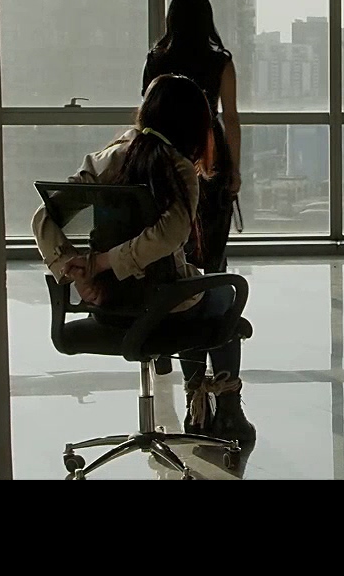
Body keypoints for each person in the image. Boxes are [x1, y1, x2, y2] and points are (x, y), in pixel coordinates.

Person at [31, 74, 256, 445]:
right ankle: (222, 409)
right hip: (163, 309)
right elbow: (170, 235)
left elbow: (43, 217)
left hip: (107, 307)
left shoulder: (104, 160)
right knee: (221, 296)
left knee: (197, 294)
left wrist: (73, 269)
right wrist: (100, 263)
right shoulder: (179, 167)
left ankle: (198, 404)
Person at [142, 0, 242, 276]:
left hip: (165, 148)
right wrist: (234, 169)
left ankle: (171, 281)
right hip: (207, 149)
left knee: (166, 219)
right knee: (211, 225)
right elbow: (231, 118)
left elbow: (146, 110)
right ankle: (211, 285)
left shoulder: (156, 60)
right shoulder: (220, 62)